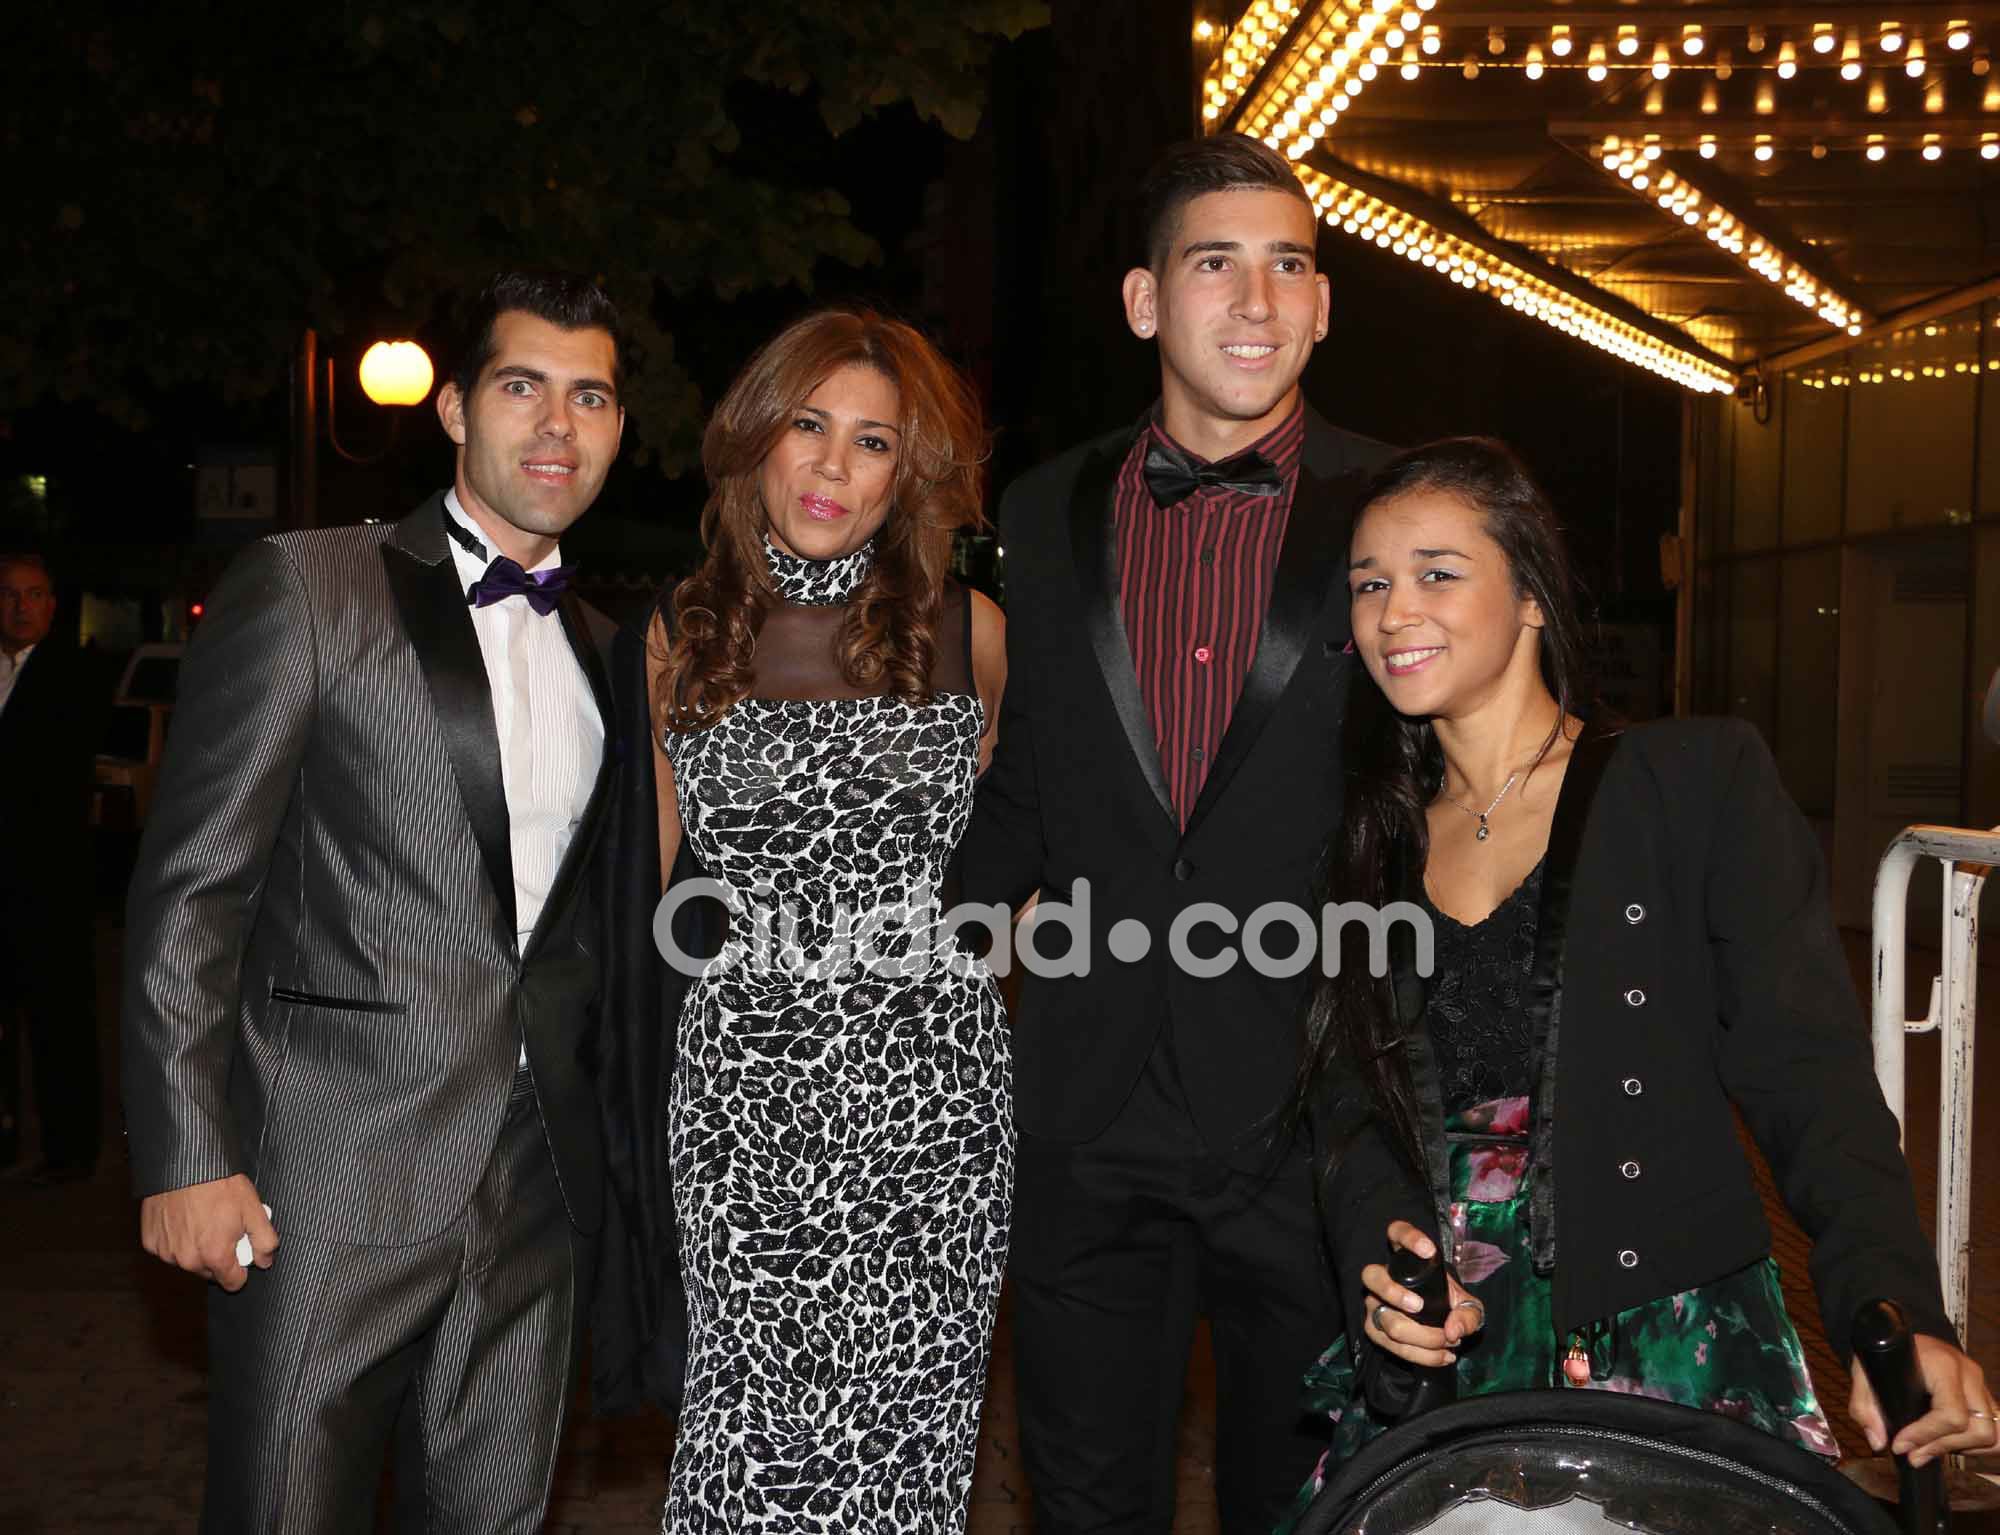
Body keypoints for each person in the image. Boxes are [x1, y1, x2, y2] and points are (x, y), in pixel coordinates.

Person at [1285, 436, 1997, 1521]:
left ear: (1529, 596)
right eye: (1370, 583)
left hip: (1659, 1343)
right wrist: (1383, 1261)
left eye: (1436, 572)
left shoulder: (1690, 783)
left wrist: (1891, 1304)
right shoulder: (1362, 844)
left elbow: (1806, 1076)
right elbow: (1349, 1105)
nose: (1391, 611)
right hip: (1452, 1356)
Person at [121, 271, 626, 1533]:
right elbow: (193, 886)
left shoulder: (615, 653)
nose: (557, 425)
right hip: (324, 1179)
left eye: (591, 397)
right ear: (453, 406)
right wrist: (188, 1153)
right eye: (522, 387)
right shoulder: (310, 586)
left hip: (536, 1189)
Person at [959, 133, 1395, 1533]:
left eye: (1290, 266)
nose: (1257, 301)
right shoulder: (1043, 508)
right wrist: (912, 957)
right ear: (1147, 301)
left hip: (1315, 1111)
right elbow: (1034, 777)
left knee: (1307, 1507)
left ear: (1326, 304)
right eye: (1217, 264)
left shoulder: (1405, 506)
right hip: (1088, 1107)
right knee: (1085, 1503)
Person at [633, 307, 1010, 1531]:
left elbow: (1017, 867)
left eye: (871, 442)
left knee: (912, 1442)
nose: (831, 468)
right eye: (808, 426)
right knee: (747, 1430)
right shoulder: (677, 635)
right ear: (758, 437)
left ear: (910, 472)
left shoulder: (970, 632)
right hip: (744, 1092)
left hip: (933, 1098)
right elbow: (652, 889)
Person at [0, 551, 105, 1183]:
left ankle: (71, 1152)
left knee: (58, 1021)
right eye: (9, 594)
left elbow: (52, 772)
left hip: (47, 881)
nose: (20, 606)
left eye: (32, 594)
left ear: (51, 604)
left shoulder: (73, 675)